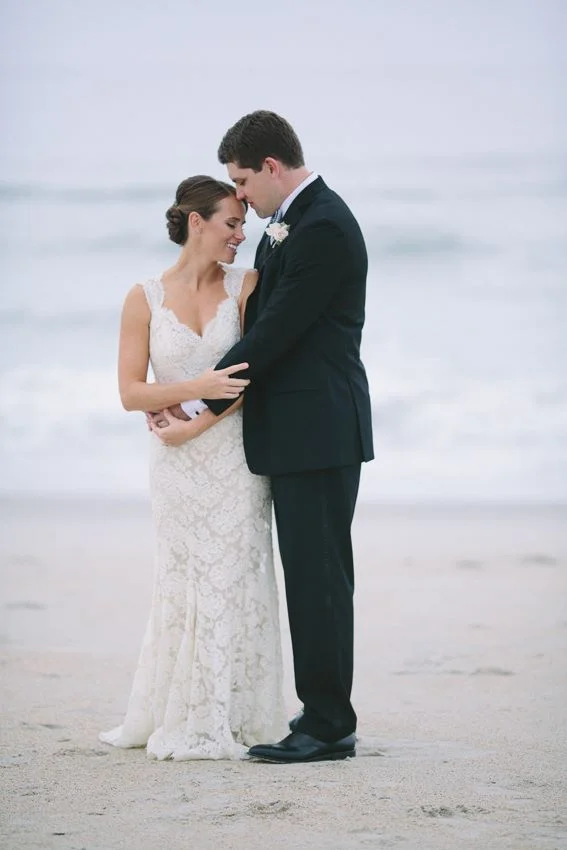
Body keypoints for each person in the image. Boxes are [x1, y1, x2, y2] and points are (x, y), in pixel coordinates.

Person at [158, 111, 374, 763]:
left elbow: (274, 335)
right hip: (298, 432)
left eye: (243, 181)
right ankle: (320, 713)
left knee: (320, 581)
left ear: (272, 168)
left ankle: (328, 724)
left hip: (319, 432)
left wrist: (190, 396)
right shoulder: (292, 227)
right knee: (309, 577)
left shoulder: (325, 228)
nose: (241, 198)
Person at [99, 175, 287, 760]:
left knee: (233, 576)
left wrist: (198, 411)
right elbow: (132, 393)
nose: (241, 234)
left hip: (234, 458)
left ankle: (231, 713)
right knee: (183, 580)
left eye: (244, 223)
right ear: (196, 222)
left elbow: (260, 374)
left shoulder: (247, 286)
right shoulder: (144, 297)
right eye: (232, 223)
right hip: (175, 465)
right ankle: (175, 709)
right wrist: (194, 386)